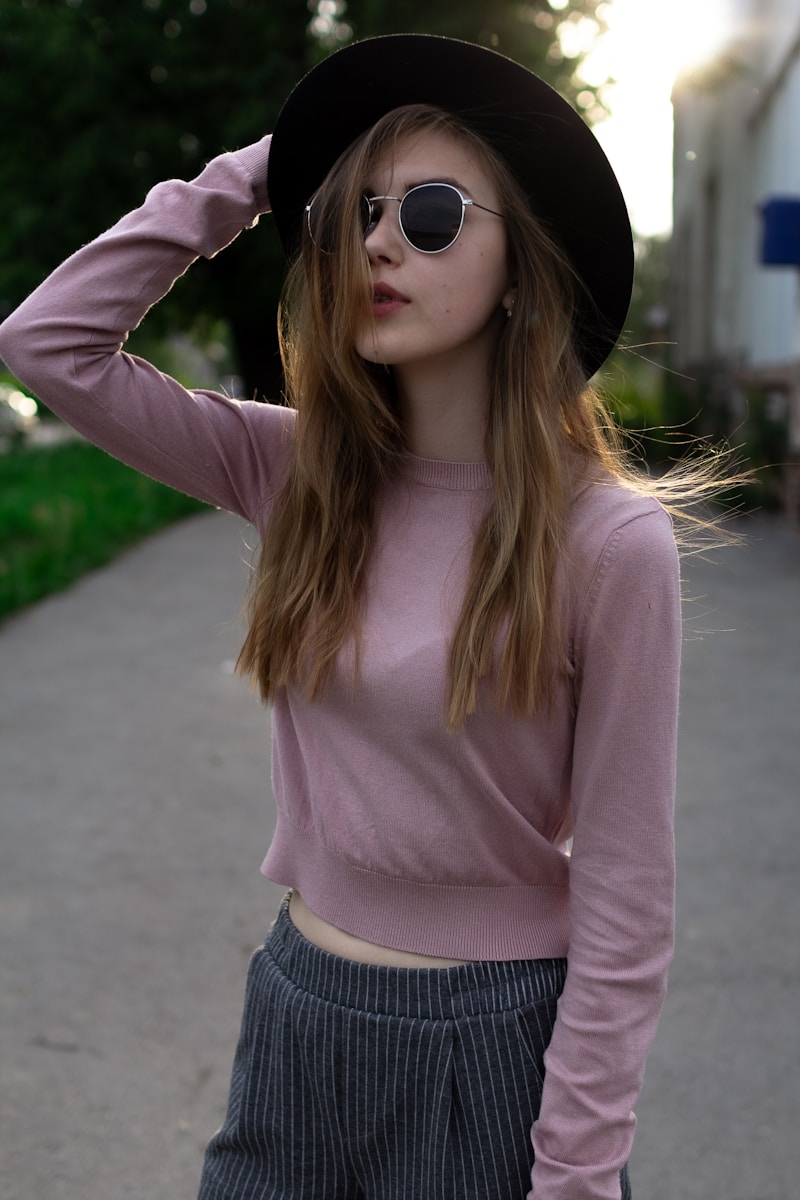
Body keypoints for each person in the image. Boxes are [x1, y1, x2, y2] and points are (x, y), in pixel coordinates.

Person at [0, 33, 693, 1200]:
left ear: (523, 265)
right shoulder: (295, 471)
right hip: (298, 1011)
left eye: (428, 212)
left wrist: (573, 1178)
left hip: (491, 1045)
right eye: (358, 212)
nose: (379, 240)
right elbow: (45, 345)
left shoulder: (607, 542)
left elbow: (626, 896)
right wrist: (263, 175)